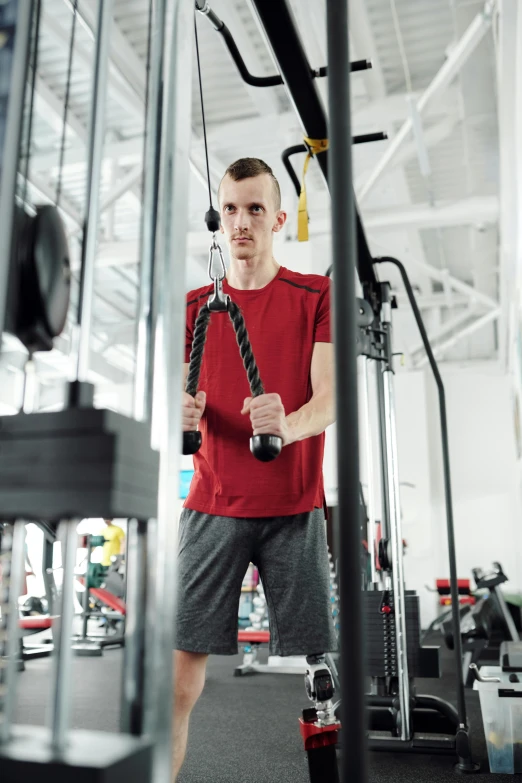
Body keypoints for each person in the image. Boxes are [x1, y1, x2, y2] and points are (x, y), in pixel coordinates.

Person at [174, 157, 336, 780]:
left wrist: (286, 424)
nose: (242, 222)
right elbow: (175, 404)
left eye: (256, 209)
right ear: (220, 216)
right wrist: (176, 410)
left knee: (321, 683)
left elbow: (328, 400)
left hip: (293, 510)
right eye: (232, 209)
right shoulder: (196, 306)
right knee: (179, 683)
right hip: (213, 506)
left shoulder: (314, 295)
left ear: (277, 219)